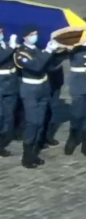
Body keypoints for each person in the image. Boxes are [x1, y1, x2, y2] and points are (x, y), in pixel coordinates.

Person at [15, 29, 60, 168]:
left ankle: (34, 153)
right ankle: (26, 157)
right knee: (32, 122)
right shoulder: (20, 53)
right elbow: (36, 66)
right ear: (24, 37)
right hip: (30, 91)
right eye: (31, 35)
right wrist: (48, 51)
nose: (34, 37)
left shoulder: (39, 50)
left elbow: (50, 66)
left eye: (35, 34)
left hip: (43, 88)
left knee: (40, 123)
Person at [0, 27, 16, 157]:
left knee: (8, 115)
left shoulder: (5, 43)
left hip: (10, 83)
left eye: (1, 31)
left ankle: (3, 141)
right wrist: (11, 48)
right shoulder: (8, 47)